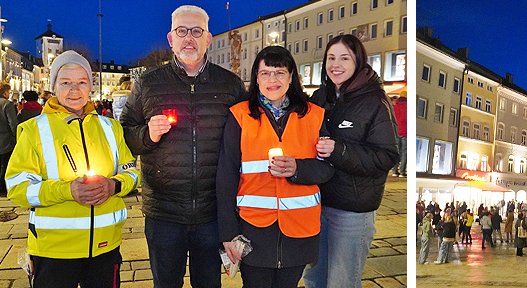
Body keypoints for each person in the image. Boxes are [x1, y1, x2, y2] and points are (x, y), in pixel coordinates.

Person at [120, 6, 245, 288]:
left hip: (213, 213)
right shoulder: (148, 84)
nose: (189, 38)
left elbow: (250, 136)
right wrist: (147, 134)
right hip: (164, 213)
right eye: (182, 31)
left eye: (196, 31)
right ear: (171, 38)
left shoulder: (230, 85)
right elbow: (124, 133)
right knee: (166, 283)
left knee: (209, 283)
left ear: (208, 39)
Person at [5, 50, 140, 287]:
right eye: (65, 82)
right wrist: (68, 191)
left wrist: (113, 184)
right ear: (53, 86)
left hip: (105, 247)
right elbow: (17, 187)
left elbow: (131, 171)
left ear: (90, 86)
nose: (74, 90)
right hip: (54, 251)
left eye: (81, 82)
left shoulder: (111, 127)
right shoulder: (33, 129)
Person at [216, 46, 333, 287]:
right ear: (256, 78)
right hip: (253, 231)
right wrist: (227, 233)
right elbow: (226, 176)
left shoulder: (314, 116)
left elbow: (327, 168)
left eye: (279, 72)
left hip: (299, 232)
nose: (272, 80)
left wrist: (297, 169)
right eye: (265, 73)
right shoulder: (239, 115)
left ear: (291, 77)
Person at [302, 34, 399, 288]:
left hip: (351, 211)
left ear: (358, 61)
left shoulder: (375, 101)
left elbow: (387, 155)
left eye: (344, 58)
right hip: (316, 204)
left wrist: (338, 150)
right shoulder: (320, 98)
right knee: (314, 278)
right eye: (331, 58)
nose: (336, 64)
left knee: (342, 281)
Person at [0, 83, 16, 197]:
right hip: (5, 141)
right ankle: (3, 187)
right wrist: (17, 137)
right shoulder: (7, 104)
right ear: (5, 92)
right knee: (5, 165)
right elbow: (13, 123)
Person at [390, 94, 406, 177]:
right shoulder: (408, 108)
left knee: (396, 151)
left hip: (396, 132)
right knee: (404, 152)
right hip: (405, 133)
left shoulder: (394, 108)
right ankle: (402, 172)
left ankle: (394, 170)